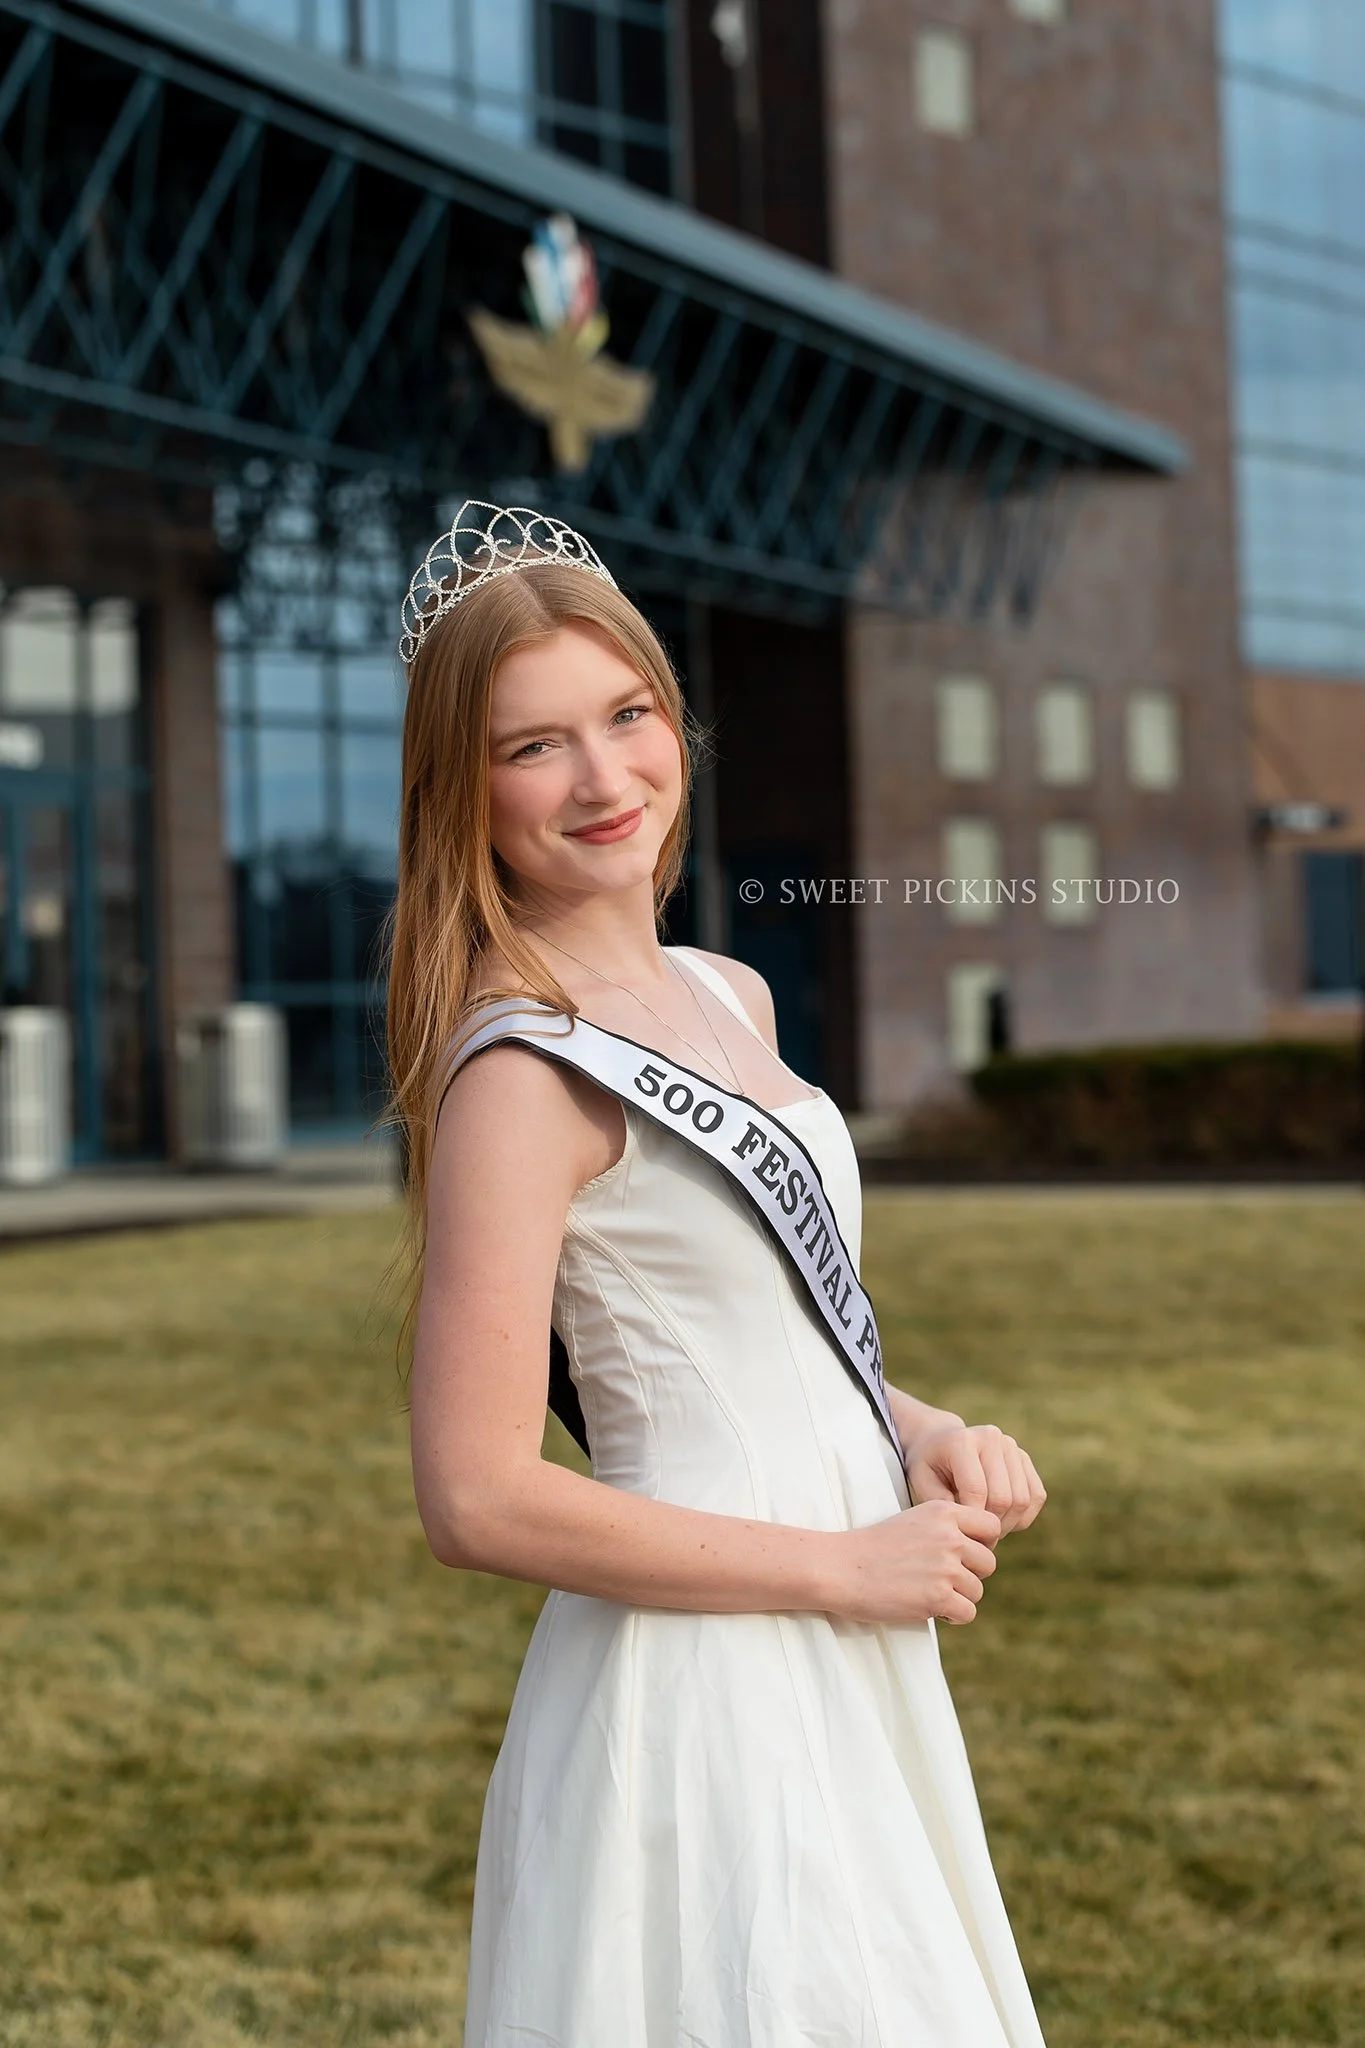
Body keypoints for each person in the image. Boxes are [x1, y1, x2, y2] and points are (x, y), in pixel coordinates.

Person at [387, 505, 1050, 2047]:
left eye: (626, 716)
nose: (605, 778)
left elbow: (752, 1335)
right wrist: (840, 1568)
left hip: (842, 1635)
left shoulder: (723, 990)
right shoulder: (521, 1073)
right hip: (704, 1675)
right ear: (462, 792)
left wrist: (918, 1427)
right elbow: (472, 1497)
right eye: (533, 747)